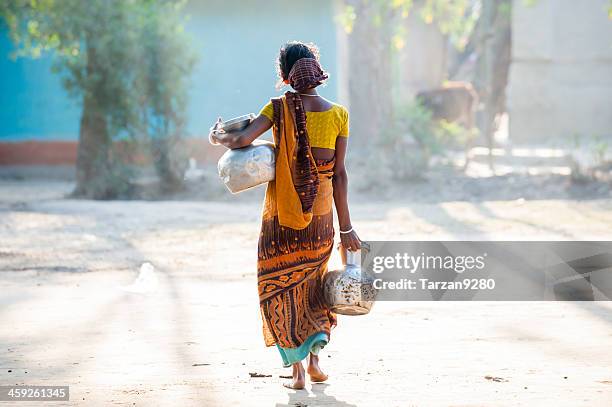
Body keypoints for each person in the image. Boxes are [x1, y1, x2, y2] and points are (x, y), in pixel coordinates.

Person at [209, 41, 360, 390]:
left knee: (279, 287)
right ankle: (316, 361)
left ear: (285, 73)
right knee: (315, 286)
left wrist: (218, 136)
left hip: (282, 219)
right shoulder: (339, 114)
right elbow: (340, 175)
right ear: (316, 69)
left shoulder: (278, 108)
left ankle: (296, 373)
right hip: (322, 219)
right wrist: (347, 228)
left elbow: (242, 139)